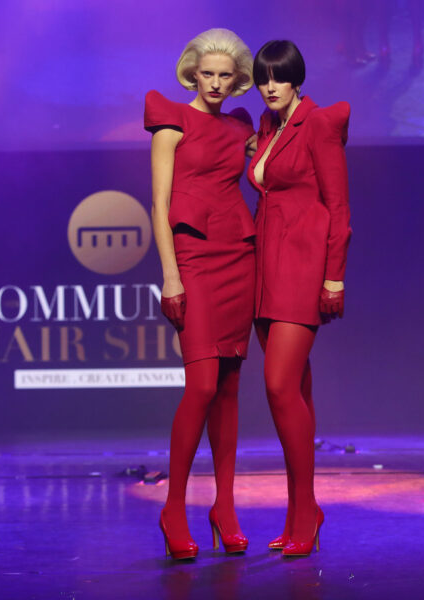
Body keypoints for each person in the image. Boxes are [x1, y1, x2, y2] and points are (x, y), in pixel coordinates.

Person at [145, 28, 256, 560]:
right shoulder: (171, 121)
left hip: (239, 255)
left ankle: (224, 507)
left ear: (237, 80)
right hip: (192, 259)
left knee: (229, 388)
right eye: (206, 73)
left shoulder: (240, 127)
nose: (214, 83)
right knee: (203, 384)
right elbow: (159, 204)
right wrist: (170, 276)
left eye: (224, 75)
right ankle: (174, 508)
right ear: (192, 72)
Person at [247, 40, 351, 557]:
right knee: (296, 395)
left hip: (303, 269)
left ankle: (306, 510)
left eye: (279, 77)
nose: (270, 87)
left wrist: (334, 278)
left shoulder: (319, 125)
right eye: (263, 78)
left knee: (279, 385)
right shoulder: (268, 126)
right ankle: (298, 512)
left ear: (296, 80)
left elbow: (339, 208)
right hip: (265, 268)